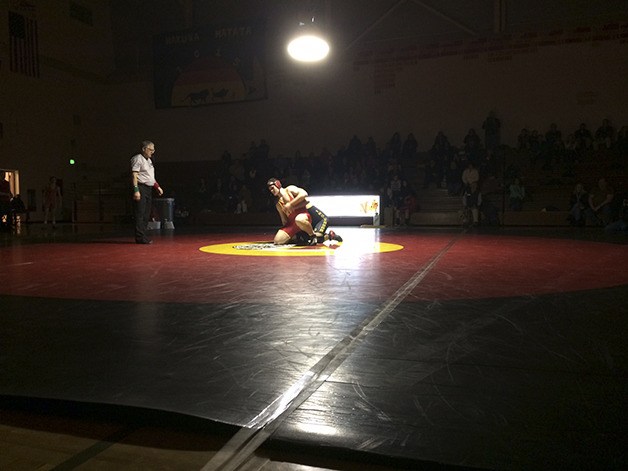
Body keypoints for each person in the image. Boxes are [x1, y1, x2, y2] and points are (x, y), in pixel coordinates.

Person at [266, 177, 340, 245]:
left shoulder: (289, 189)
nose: (272, 191)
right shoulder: (278, 204)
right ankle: (313, 236)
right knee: (278, 241)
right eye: (270, 190)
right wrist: (288, 233)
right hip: (297, 223)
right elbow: (284, 221)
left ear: (278, 184)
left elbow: (304, 194)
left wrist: (290, 204)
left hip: (314, 219)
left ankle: (323, 236)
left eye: (272, 188)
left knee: (302, 222)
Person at [131, 140, 163, 244]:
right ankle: (140, 237)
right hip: (141, 187)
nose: (152, 152)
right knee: (140, 213)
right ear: (144, 149)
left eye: (153, 150)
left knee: (146, 213)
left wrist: (157, 186)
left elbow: (150, 177)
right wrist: (136, 190)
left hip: (148, 188)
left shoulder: (149, 160)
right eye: (151, 149)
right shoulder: (137, 159)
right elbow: (134, 175)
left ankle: (143, 235)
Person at [461, 161, 481, 226]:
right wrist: (465, 205)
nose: (473, 186)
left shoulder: (478, 192)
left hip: (474, 205)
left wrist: (477, 205)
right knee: (464, 210)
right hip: (468, 205)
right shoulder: (467, 191)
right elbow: (464, 198)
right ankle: (465, 222)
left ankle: (475, 222)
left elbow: (479, 200)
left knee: (474, 209)